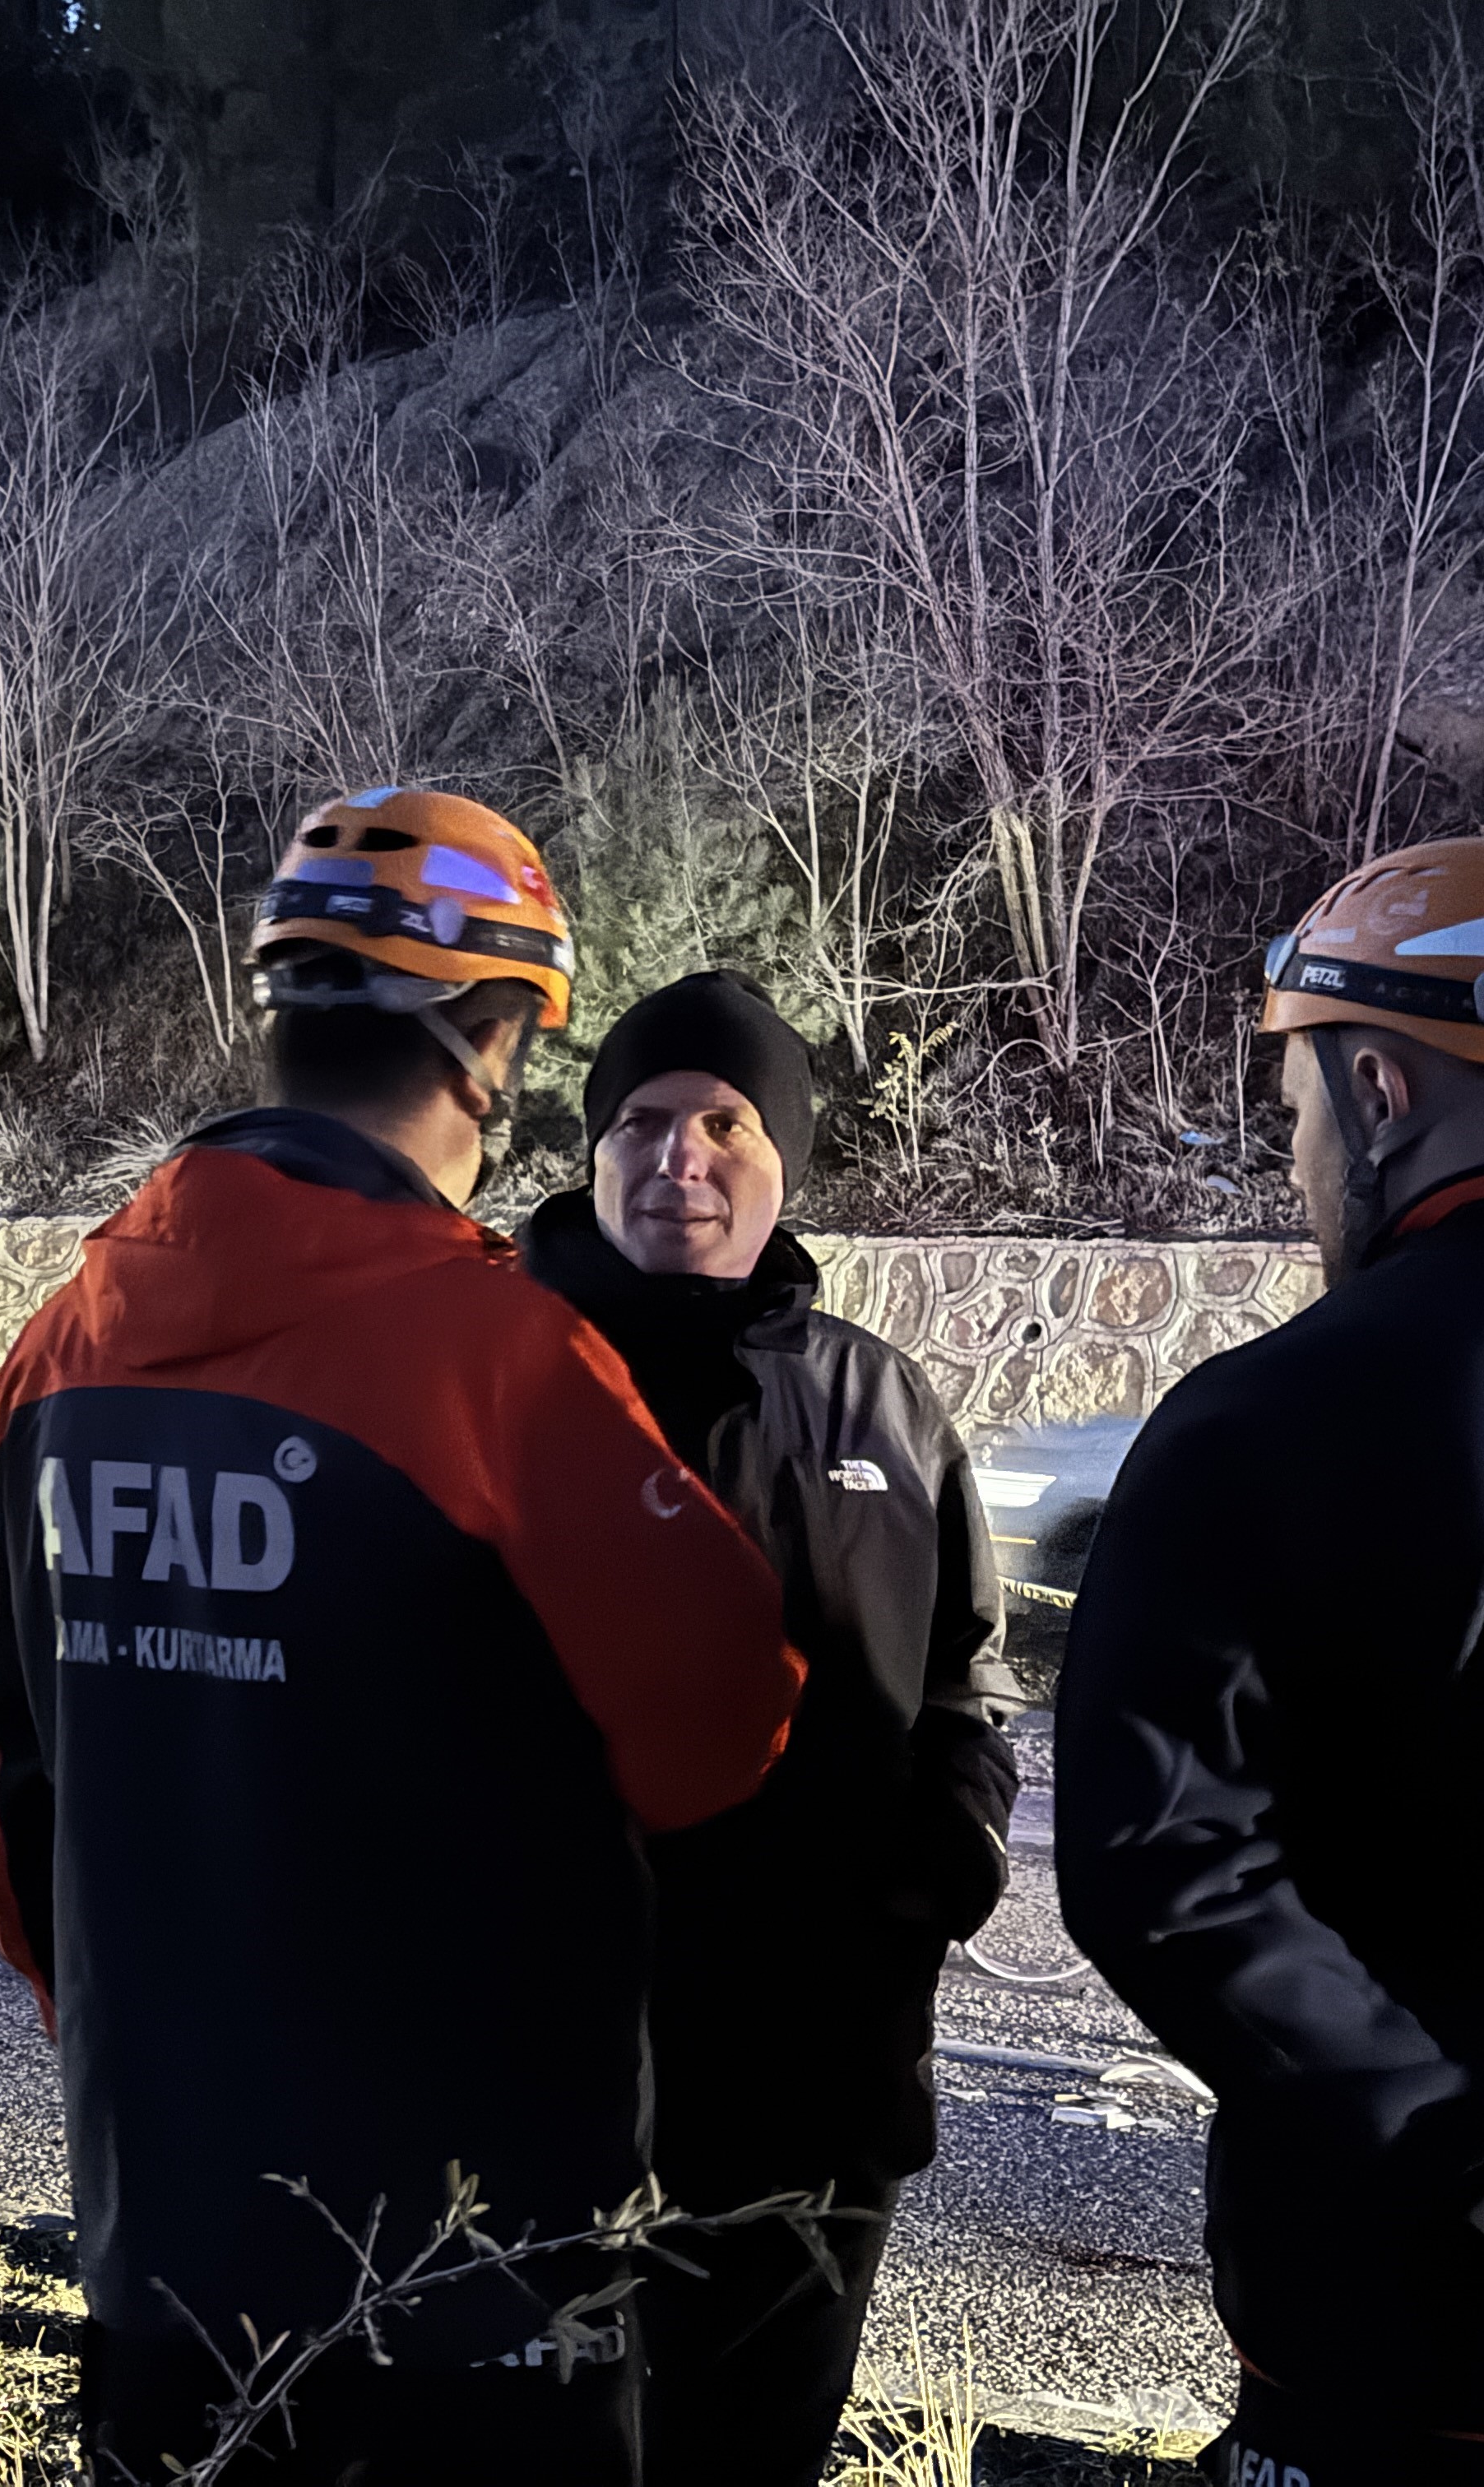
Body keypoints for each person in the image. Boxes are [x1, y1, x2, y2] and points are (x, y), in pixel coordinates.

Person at [0, 784, 807, 2486]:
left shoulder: (59, 1354)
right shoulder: (496, 1366)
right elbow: (725, 1726)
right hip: (460, 2283)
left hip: (162, 2244)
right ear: (487, 1041)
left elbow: (11, 1779)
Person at [517, 972, 1020, 2487]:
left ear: (781, 1155)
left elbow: (966, 1677)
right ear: (592, 1151)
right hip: (539, 2077)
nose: (683, 1153)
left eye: (725, 1120)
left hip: (815, 2072)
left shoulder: (880, 1405)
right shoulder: (495, 1378)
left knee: (752, 2453)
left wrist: (944, 1857)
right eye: (645, 1120)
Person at [1060, 838, 1484, 2487]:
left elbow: (1161, 1861)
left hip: (1391, 2333)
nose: (1300, 1156)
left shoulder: (1266, 1419)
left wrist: (1426, 2136)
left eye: (1299, 1109)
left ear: (1380, 1088)